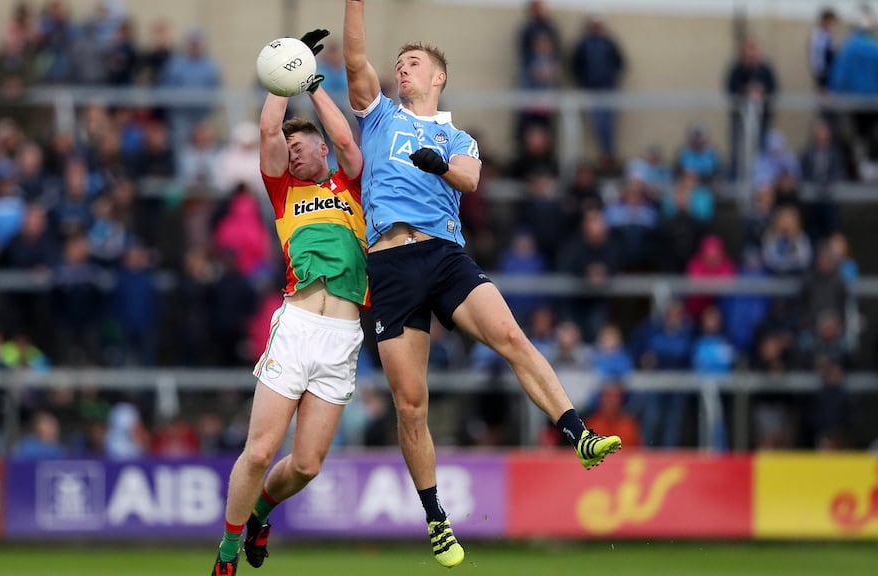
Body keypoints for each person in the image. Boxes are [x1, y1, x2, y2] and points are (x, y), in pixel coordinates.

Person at [342, 1, 621, 568]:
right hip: (390, 267)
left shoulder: (457, 137)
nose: (403, 69)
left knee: (512, 338)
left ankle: (580, 435)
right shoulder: (379, 116)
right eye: (400, 63)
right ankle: (436, 519)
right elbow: (352, 61)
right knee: (411, 405)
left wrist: (436, 164)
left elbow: (469, 177)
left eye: (414, 62)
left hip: (444, 255)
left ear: (438, 76)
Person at [211, 29, 368, 576]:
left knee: (305, 465)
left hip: (343, 336)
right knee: (258, 452)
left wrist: (315, 84)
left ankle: (260, 512)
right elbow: (266, 127)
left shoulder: (351, 187)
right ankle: (227, 554)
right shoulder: (284, 193)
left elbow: (349, 144)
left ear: (321, 148)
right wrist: (287, 72)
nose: (294, 153)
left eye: (304, 147)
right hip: (298, 325)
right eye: (290, 150)